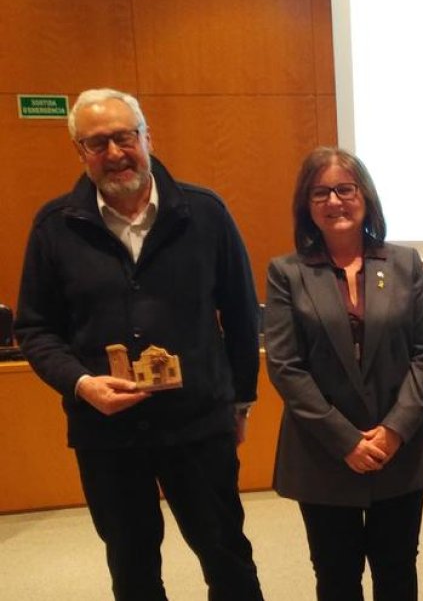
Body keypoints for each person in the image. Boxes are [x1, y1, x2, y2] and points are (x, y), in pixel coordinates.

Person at [14, 88, 263, 600]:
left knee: (227, 557)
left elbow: (241, 314)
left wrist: (241, 402)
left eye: (124, 137)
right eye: (96, 142)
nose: (114, 153)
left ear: (147, 137)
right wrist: (82, 385)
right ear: (79, 153)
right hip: (106, 435)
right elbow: (35, 328)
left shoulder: (205, 213)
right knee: (131, 569)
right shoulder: (54, 226)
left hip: (198, 426)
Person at [263, 148, 423, 600]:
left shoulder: (405, 264)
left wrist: (394, 431)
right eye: (320, 192)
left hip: (399, 448)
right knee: (336, 576)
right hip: (322, 452)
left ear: (365, 197)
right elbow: (284, 365)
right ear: (307, 205)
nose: (335, 201)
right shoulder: (287, 273)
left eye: (345, 189)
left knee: (397, 569)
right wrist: (345, 440)